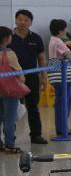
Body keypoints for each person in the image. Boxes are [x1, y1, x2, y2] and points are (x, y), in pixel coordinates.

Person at [10, 10, 48, 144]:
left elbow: (42, 58)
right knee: (11, 108)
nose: (22, 22)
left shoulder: (36, 38)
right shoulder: (8, 37)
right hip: (12, 79)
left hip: (32, 77)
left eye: (26, 20)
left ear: (30, 22)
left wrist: (44, 77)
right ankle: (9, 138)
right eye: (20, 19)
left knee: (33, 106)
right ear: (15, 20)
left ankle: (36, 135)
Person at [47, 19, 71, 138]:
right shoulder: (58, 42)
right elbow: (70, 56)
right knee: (64, 102)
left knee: (60, 102)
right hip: (62, 76)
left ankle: (62, 128)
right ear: (60, 30)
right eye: (65, 28)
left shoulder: (52, 40)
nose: (66, 30)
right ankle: (63, 130)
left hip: (55, 73)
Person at [0, 26, 25, 153]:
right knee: (9, 118)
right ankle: (10, 144)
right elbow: (18, 72)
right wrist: (22, 81)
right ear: (6, 38)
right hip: (9, 90)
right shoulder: (9, 53)